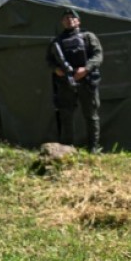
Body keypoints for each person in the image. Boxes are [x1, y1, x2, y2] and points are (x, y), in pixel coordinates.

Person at [46, 8, 103, 153]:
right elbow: (49, 60)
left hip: (87, 81)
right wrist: (56, 69)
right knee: (66, 114)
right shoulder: (57, 42)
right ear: (62, 22)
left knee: (91, 115)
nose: (69, 19)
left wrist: (86, 69)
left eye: (72, 17)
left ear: (78, 21)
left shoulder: (88, 36)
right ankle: (67, 147)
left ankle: (93, 148)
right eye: (66, 18)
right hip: (65, 82)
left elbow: (98, 55)